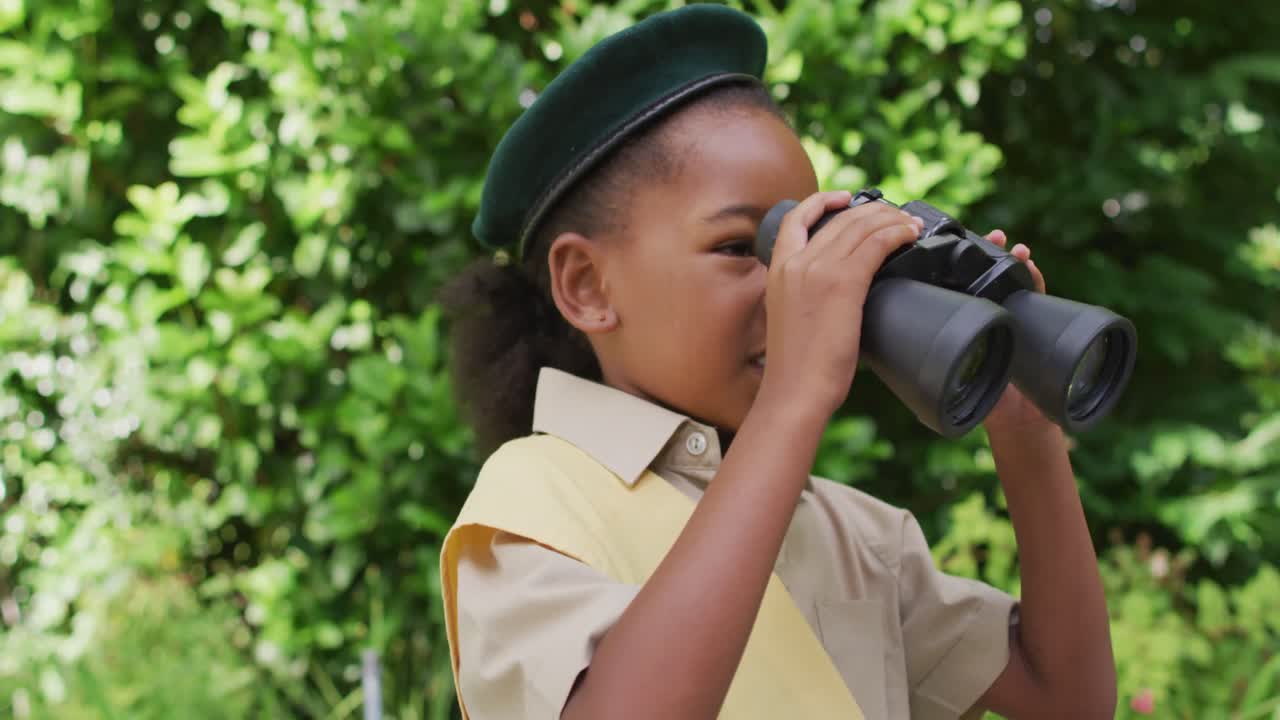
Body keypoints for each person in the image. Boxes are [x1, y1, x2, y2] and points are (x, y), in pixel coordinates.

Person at [437, 5, 1117, 719]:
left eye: (804, 243)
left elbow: (1066, 700)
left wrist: (1027, 431)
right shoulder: (533, 501)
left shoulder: (851, 535)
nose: (795, 286)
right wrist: (795, 397)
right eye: (742, 248)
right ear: (586, 285)